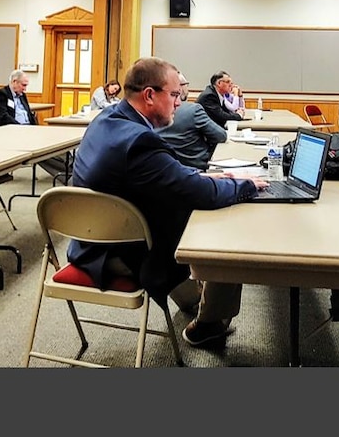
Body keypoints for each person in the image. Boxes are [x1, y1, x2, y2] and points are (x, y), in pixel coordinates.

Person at [65, 57, 266, 349]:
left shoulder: (106, 122)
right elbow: (200, 193)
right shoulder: (139, 142)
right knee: (225, 228)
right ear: (149, 95)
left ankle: (194, 301)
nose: (178, 103)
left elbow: (167, 172)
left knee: (194, 207)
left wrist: (210, 175)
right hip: (125, 254)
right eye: (174, 95)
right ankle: (209, 324)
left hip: (90, 241)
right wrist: (244, 185)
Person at [0, 69, 70, 181]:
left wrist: (36, 129)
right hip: (11, 131)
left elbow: (29, 114)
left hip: (27, 129)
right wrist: (22, 128)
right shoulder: (1, 94)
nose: (25, 89)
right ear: (14, 82)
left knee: (53, 141)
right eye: (23, 85)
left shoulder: (22, 95)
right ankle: (65, 172)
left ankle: (70, 164)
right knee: (39, 151)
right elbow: (3, 117)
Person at [156, 73, 228, 170]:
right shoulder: (193, 110)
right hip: (196, 170)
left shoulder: (152, 113)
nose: (187, 88)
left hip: (165, 170)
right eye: (186, 84)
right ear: (179, 87)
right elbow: (221, 136)